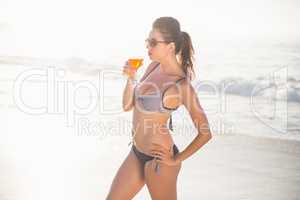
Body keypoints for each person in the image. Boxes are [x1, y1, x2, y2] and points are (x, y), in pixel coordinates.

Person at [106, 16, 212, 200]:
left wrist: (175, 159)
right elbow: (127, 106)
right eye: (148, 41)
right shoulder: (153, 66)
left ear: (170, 46)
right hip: (137, 152)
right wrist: (131, 78)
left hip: (159, 161)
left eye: (153, 43)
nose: (148, 47)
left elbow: (205, 133)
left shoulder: (181, 86)